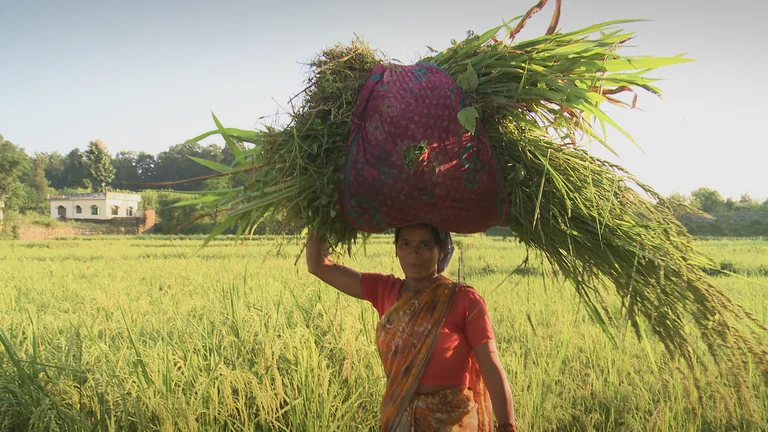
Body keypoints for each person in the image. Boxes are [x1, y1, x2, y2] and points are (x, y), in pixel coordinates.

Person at [306, 223, 517, 431]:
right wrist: (320, 212)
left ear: (441, 250)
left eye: (425, 245)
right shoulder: (384, 289)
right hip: (399, 419)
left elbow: (491, 365)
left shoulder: (464, 299)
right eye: (405, 244)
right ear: (396, 249)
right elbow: (318, 265)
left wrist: (507, 425)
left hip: (450, 422)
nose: (414, 253)